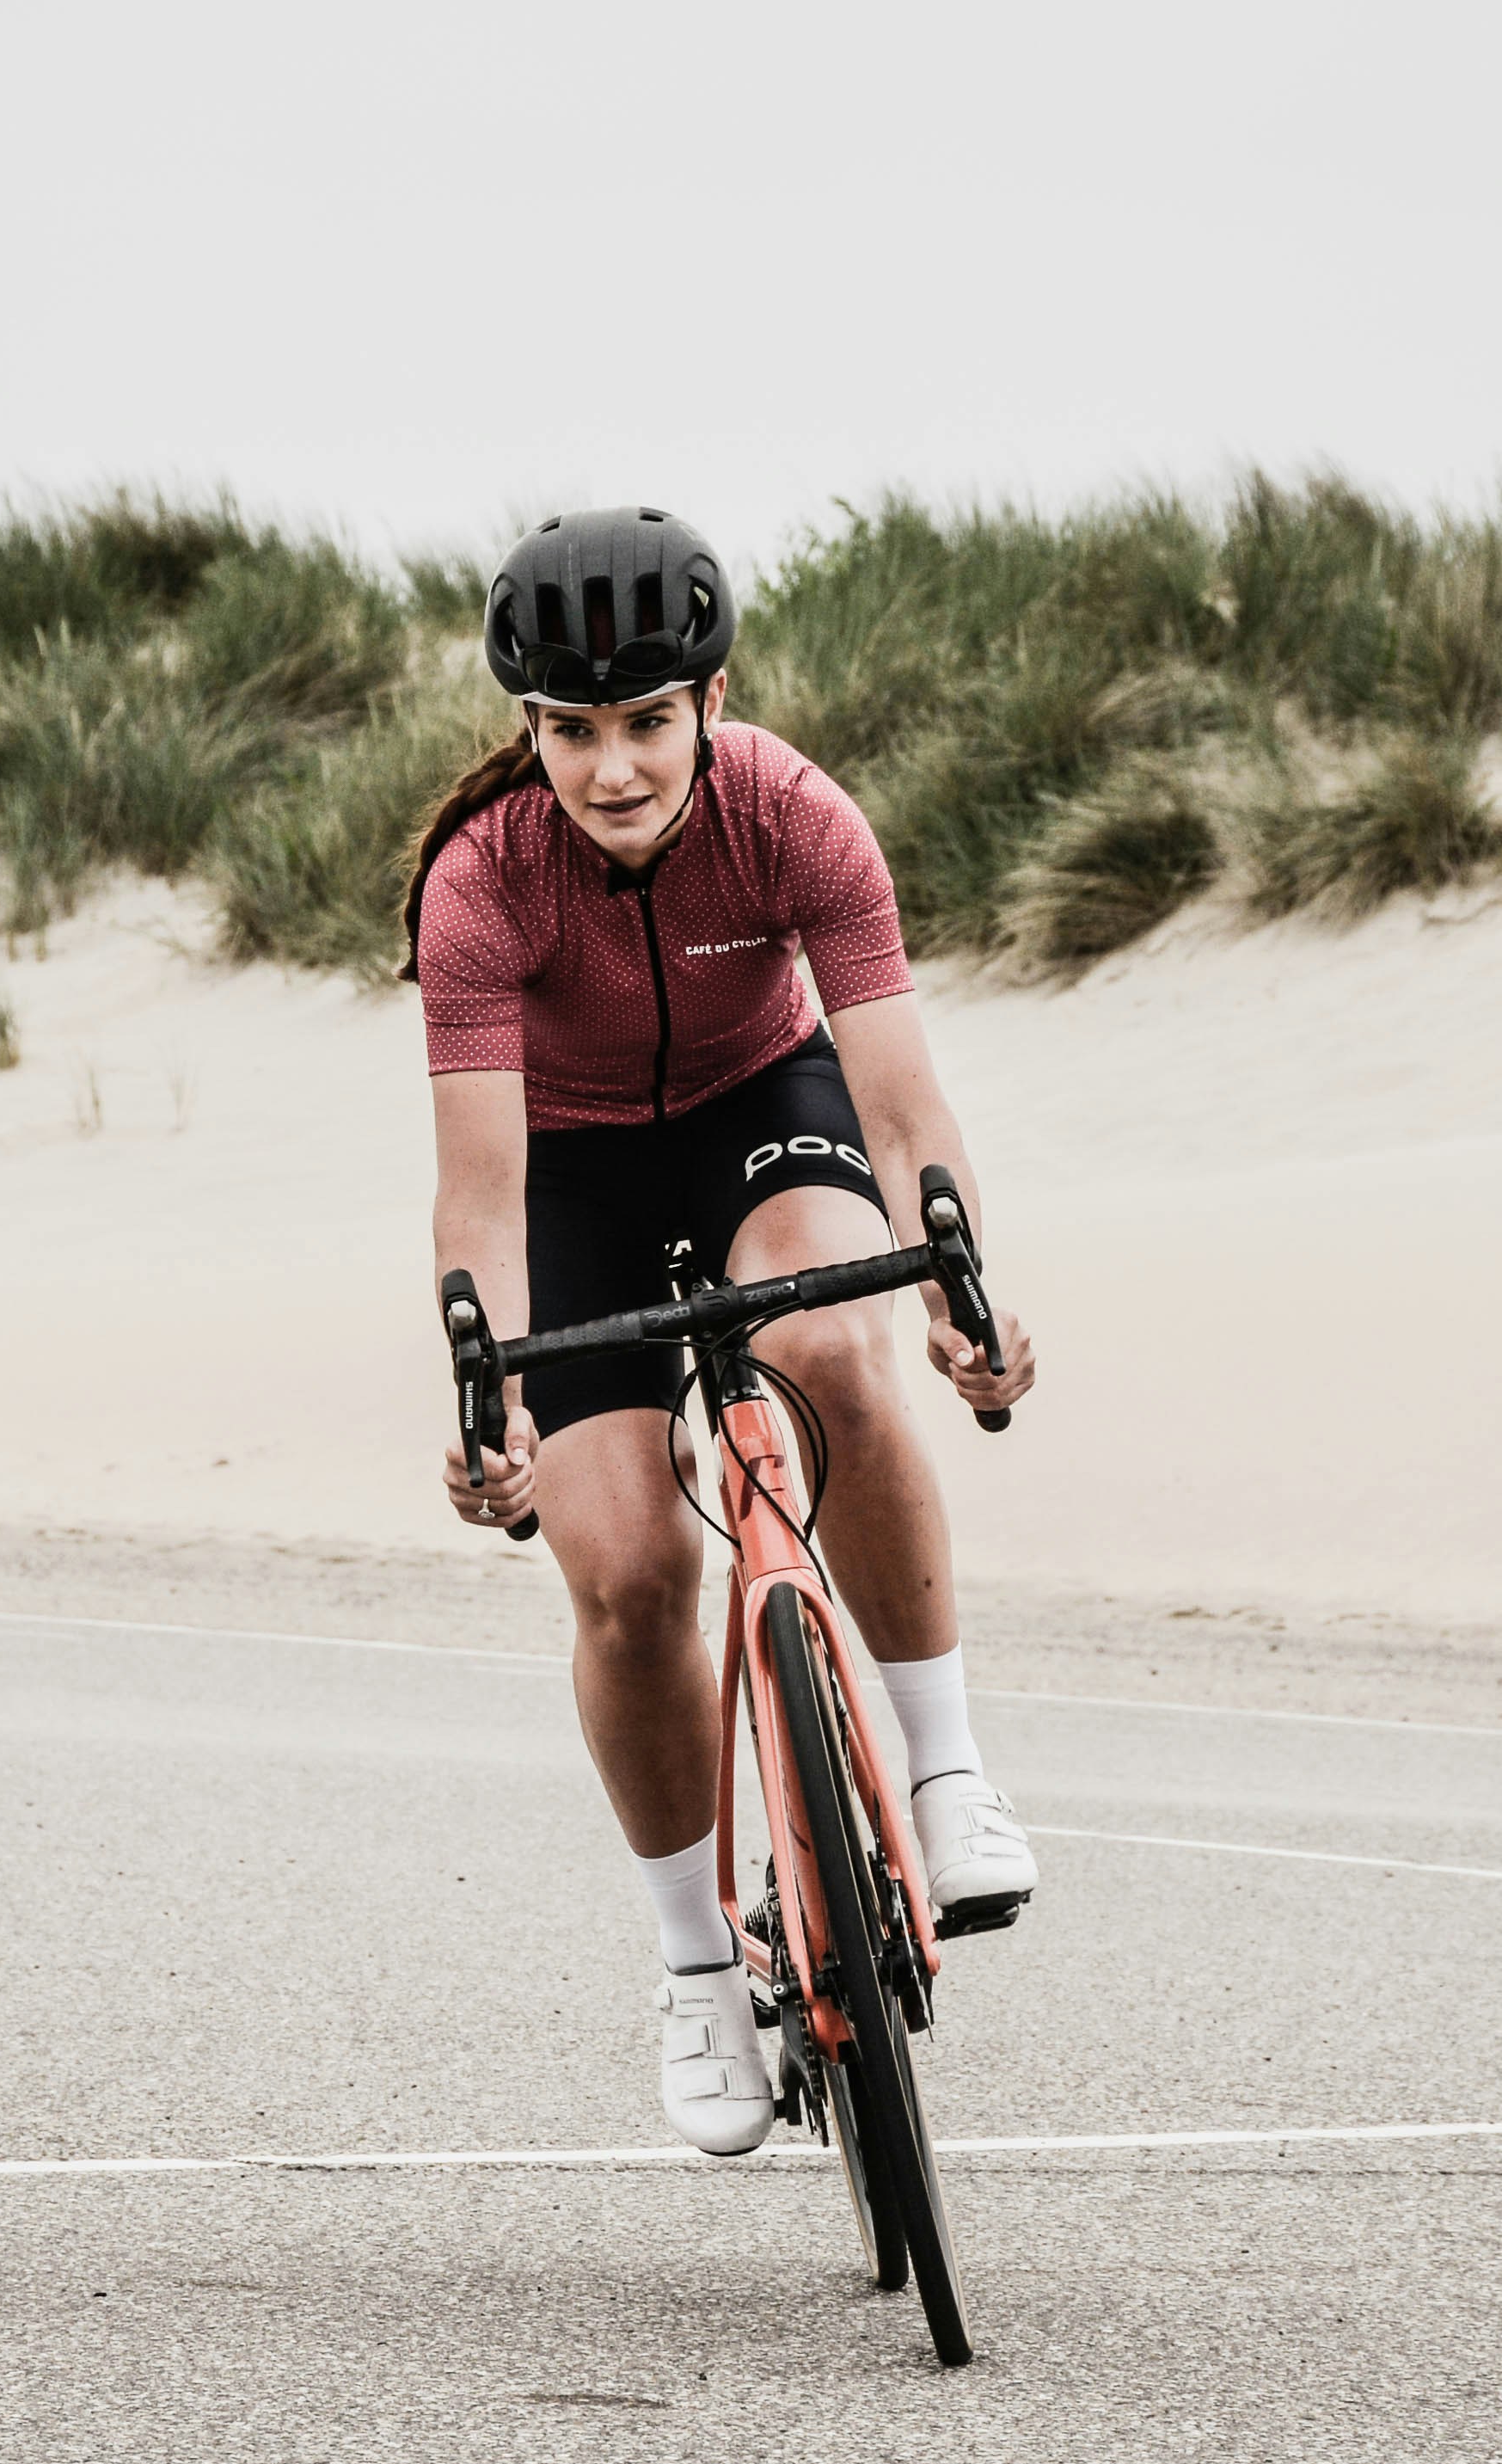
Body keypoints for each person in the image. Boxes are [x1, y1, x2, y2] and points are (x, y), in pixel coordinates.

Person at [407, 506, 1040, 2159]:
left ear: (710, 698)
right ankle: (698, 1968)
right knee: (623, 1578)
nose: (611, 769)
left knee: (837, 1352)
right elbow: (480, 1198)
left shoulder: (792, 813)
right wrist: (493, 1407)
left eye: (645, 723)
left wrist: (965, 1290)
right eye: (570, 732)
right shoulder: (481, 884)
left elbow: (903, 1105)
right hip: (577, 1172)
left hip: (767, 1106)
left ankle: (948, 1769)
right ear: (527, 729)